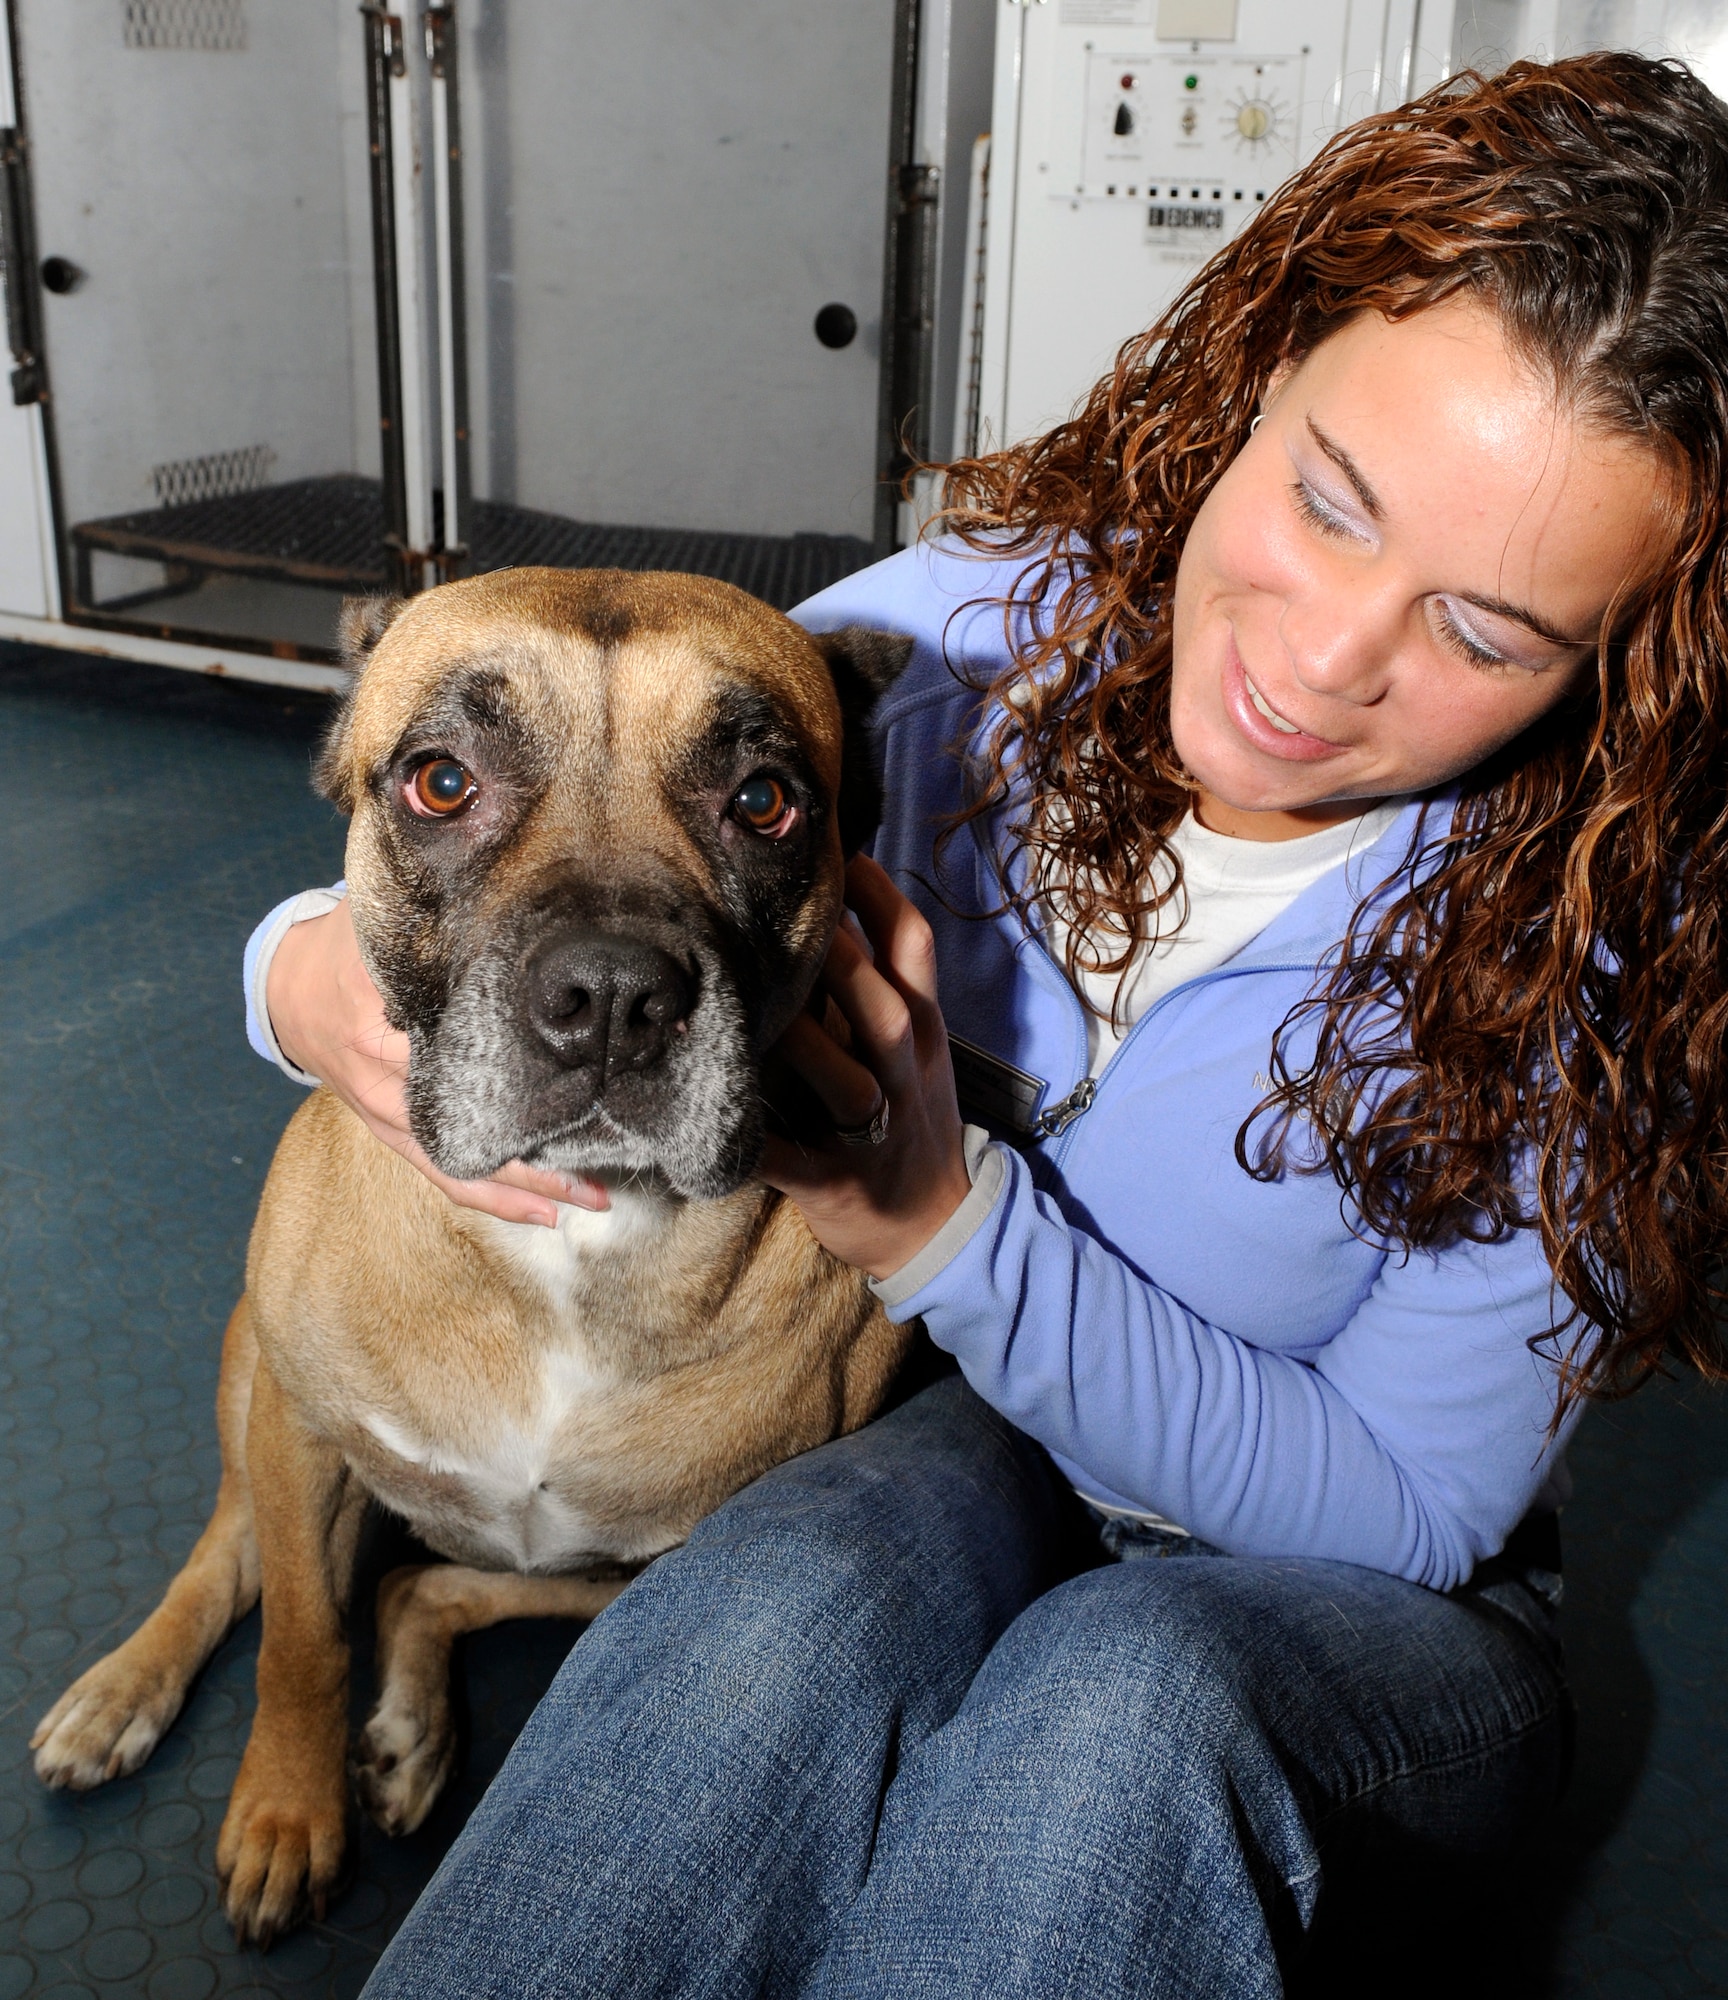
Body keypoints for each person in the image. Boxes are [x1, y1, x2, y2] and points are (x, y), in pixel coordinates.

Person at [246, 51, 1728, 1997]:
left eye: (1486, 631)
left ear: (1626, 661)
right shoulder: (962, 642)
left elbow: (1417, 1505)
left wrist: (948, 1233)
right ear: (1258, 376)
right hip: (992, 1441)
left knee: (1118, 1712)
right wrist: (294, 974)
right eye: (1329, 498)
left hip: (1373, 1598)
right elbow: (576, 747)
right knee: (737, 1628)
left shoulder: (1605, 960)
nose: (1321, 652)